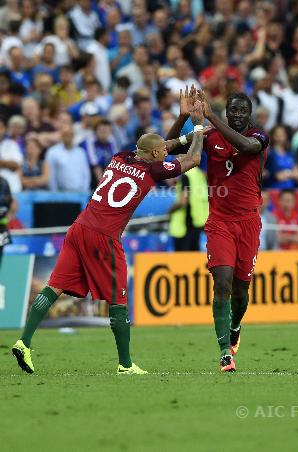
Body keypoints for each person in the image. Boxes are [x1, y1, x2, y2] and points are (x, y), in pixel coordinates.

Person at [12, 97, 206, 376]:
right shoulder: (152, 169)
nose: (165, 152)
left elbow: (160, 146)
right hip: (104, 236)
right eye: (161, 152)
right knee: (119, 298)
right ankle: (125, 364)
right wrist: (197, 127)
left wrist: (181, 121)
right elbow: (193, 158)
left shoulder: (121, 157)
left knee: (54, 286)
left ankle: (24, 341)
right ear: (153, 156)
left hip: (79, 227)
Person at [167, 89, 269, 372]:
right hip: (220, 222)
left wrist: (211, 119)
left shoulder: (259, 137)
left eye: (242, 111)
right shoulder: (208, 136)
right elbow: (166, 147)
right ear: (226, 111)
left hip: (248, 223)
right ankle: (225, 352)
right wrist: (183, 117)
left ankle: (235, 327)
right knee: (222, 284)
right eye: (232, 110)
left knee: (241, 290)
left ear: (249, 115)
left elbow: (247, 148)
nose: (237, 115)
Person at [169, 166, 209, 251]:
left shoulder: (186, 175)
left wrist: (170, 211)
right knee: (194, 258)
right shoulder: (200, 174)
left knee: (183, 261)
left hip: (184, 225)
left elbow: (183, 201)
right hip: (198, 222)